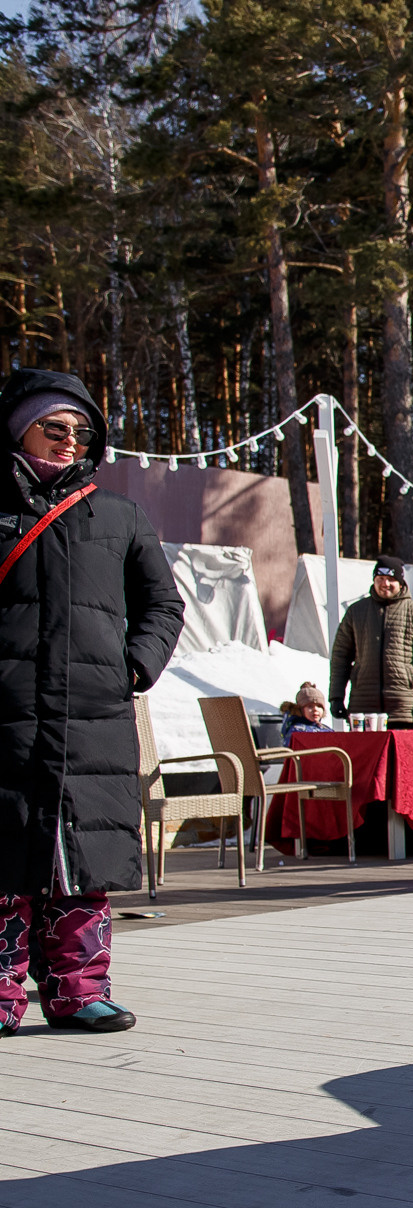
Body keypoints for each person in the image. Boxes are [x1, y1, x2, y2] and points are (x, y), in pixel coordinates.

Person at [0, 367, 184, 1038]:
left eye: (83, 431)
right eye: (55, 427)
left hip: (93, 717)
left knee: (83, 860)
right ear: (19, 429)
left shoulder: (119, 515)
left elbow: (162, 604)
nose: (70, 440)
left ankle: (80, 993)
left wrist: (133, 665)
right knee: (4, 858)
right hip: (8, 716)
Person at [329, 554, 413, 729]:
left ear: (400, 582)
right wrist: (336, 697)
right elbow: (340, 657)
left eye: (391, 579)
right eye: (380, 579)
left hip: (402, 708)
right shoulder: (356, 612)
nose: (385, 584)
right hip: (363, 708)